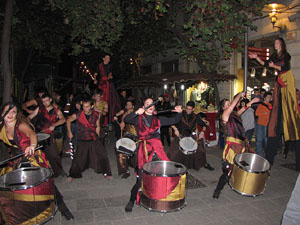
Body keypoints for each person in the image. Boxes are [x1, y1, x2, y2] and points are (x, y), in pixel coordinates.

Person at [0, 102, 73, 223]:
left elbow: (31, 134)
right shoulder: (2, 126)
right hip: (15, 159)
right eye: (7, 111)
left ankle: (63, 208)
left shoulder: (20, 125)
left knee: (46, 185)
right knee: (10, 189)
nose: (10, 114)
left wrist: (32, 145)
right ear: (2, 113)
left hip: (30, 157)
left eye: (13, 112)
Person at [123, 97, 183, 212]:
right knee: (140, 179)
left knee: (164, 174)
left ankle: (159, 198)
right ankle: (131, 200)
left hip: (157, 151)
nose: (150, 105)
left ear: (154, 107)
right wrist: (136, 112)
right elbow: (126, 119)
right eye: (147, 103)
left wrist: (179, 112)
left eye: (152, 104)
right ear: (143, 106)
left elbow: (174, 120)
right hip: (144, 151)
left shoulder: (158, 119)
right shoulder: (137, 118)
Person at [249, 38, 300, 170]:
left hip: (286, 78)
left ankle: (291, 110)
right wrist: (256, 58)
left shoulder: (285, 55)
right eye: (275, 43)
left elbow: (284, 67)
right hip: (279, 80)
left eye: (277, 42)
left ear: (281, 44)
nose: (275, 44)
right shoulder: (273, 55)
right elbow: (266, 64)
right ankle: (269, 157)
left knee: (288, 100)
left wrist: (273, 66)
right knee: (277, 106)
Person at [212, 93, 259, 199]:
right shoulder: (224, 116)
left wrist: (251, 102)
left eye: (230, 104)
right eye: (227, 104)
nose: (230, 106)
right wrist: (239, 96)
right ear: (223, 107)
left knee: (244, 167)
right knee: (227, 172)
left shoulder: (234, 115)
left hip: (241, 145)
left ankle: (246, 187)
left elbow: (242, 110)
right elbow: (234, 105)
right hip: (232, 148)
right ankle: (217, 190)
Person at [66, 97, 112, 182]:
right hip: (82, 138)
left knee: (103, 154)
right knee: (78, 157)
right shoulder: (79, 114)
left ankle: (106, 172)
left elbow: (97, 126)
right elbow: (68, 120)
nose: (85, 108)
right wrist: (69, 132)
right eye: (83, 106)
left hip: (93, 137)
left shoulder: (96, 114)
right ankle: (72, 174)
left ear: (92, 106)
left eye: (87, 106)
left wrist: (98, 138)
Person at [168, 101, 214, 171]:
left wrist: (202, 132)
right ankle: (175, 164)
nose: (188, 110)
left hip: (190, 135)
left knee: (201, 149)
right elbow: (171, 122)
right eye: (187, 108)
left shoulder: (195, 116)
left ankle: (204, 163)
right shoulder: (180, 114)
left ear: (193, 109)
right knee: (174, 152)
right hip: (180, 135)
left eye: (190, 109)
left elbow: (204, 125)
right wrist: (175, 129)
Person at [28, 93, 66, 177]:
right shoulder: (39, 109)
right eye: (43, 101)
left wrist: (54, 125)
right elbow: (29, 117)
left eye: (46, 101)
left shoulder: (56, 110)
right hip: (38, 135)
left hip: (49, 135)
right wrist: (30, 125)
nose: (45, 103)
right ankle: (42, 174)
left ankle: (59, 170)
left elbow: (63, 119)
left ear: (50, 100)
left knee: (54, 155)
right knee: (40, 156)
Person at [115, 100, 137, 179]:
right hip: (127, 136)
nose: (128, 106)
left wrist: (123, 120)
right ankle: (125, 170)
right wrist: (116, 116)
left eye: (130, 105)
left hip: (136, 137)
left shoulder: (134, 113)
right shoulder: (125, 112)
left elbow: (126, 114)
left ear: (133, 106)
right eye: (127, 105)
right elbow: (121, 114)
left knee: (136, 154)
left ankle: (137, 169)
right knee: (121, 152)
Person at [255, 91, 272, 156]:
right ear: (264, 98)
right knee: (259, 139)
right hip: (260, 123)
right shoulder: (260, 105)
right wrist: (264, 113)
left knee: (266, 139)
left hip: (267, 124)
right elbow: (257, 113)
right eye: (268, 97)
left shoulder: (271, 105)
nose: (269, 98)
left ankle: (267, 153)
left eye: (270, 97)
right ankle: (259, 153)